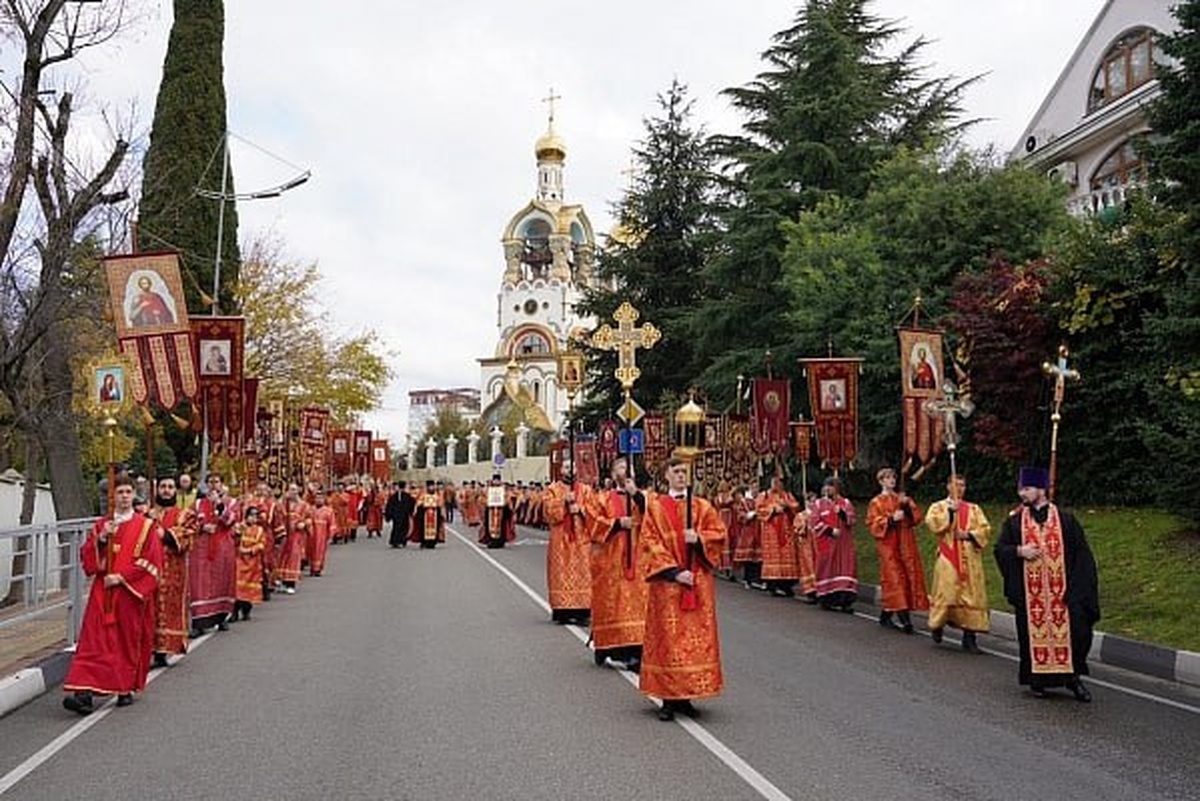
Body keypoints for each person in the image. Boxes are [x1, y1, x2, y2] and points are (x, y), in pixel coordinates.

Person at [995, 467, 1100, 702]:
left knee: (1075, 635)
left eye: (1027, 489)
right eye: (1020, 488)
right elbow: (1000, 550)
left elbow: (1082, 557)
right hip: (1032, 598)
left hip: (1063, 595)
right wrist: (1019, 551)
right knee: (1032, 638)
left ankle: (1073, 680)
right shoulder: (1014, 523)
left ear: (1041, 490)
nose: (1022, 493)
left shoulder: (1066, 520)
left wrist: (1076, 591)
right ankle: (1037, 681)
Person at [63, 476, 164, 714]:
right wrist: (101, 540)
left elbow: (153, 563)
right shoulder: (102, 525)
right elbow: (88, 560)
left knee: (124, 642)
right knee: (93, 640)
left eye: (128, 491)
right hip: (103, 592)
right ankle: (83, 694)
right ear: (113, 496)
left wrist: (121, 577)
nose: (125, 496)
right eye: (120, 492)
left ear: (133, 495)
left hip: (129, 594)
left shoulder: (145, 526)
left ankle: (123, 687)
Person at [640, 457, 726, 721]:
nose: (681, 476)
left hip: (697, 583)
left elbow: (719, 534)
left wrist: (699, 539)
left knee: (693, 643)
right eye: (676, 471)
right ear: (666, 475)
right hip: (669, 585)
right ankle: (668, 698)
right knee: (669, 641)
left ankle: (686, 696)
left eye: (684, 472)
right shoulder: (654, 508)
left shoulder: (702, 506)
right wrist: (675, 572)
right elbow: (649, 542)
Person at [588, 457, 648, 672]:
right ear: (614, 475)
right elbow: (592, 522)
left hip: (638, 560)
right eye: (621, 467)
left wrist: (636, 495)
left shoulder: (642, 496)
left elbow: (654, 515)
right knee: (616, 605)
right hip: (611, 560)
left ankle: (636, 650)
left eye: (628, 467)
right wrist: (616, 523)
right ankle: (611, 647)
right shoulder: (603, 498)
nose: (626, 470)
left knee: (637, 606)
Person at [925, 474, 991, 654]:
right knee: (946, 593)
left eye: (963, 485)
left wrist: (969, 535)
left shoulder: (974, 509)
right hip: (948, 557)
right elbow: (933, 524)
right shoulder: (938, 507)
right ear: (948, 486)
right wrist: (950, 512)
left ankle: (969, 638)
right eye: (956, 485)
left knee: (972, 596)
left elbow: (985, 529)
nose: (960, 488)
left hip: (970, 559)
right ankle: (937, 624)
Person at [866, 467, 928, 633]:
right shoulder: (876, 502)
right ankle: (906, 621)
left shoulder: (901, 498)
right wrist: (891, 519)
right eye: (887, 478)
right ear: (881, 481)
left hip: (905, 543)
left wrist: (907, 507)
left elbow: (916, 518)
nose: (892, 480)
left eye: (893, 477)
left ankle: (886, 615)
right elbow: (873, 524)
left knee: (906, 577)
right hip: (888, 546)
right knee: (894, 578)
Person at [149, 477, 194, 667]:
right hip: (150, 568)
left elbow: (189, 537)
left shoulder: (184, 514)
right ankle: (149, 647)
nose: (166, 490)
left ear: (175, 491)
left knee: (169, 608)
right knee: (150, 608)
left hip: (173, 569)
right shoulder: (147, 513)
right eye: (163, 487)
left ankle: (164, 649)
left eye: (170, 487)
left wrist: (166, 535)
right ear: (157, 490)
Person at [543, 460, 593, 625]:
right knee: (561, 574)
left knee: (583, 574)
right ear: (561, 470)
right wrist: (563, 501)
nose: (569, 470)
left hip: (581, 540)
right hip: (561, 541)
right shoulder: (553, 489)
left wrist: (581, 510)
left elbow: (595, 511)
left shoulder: (586, 490)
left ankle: (582, 612)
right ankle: (562, 611)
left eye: (572, 467)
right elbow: (549, 513)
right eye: (566, 467)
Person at [189, 474, 238, 634]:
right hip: (201, 550)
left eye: (216, 481)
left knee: (222, 581)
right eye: (210, 482)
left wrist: (219, 504)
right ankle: (199, 623)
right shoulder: (197, 504)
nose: (213, 485)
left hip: (223, 549)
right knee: (200, 584)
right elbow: (188, 522)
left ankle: (222, 618)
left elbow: (230, 521)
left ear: (221, 484)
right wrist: (202, 528)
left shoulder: (231, 502)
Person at [810, 476, 858, 612]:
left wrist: (841, 513)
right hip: (827, 544)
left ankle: (845, 601)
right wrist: (830, 530)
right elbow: (814, 523)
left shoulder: (845, 503)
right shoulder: (819, 504)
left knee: (845, 570)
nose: (828, 488)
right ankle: (827, 599)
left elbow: (852, 520)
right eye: (826, 486)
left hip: (844, 545)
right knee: (827, 570)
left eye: (831, 486)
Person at [756, 473, 802, 597]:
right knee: (773, 557)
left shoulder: (787, 495)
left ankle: (787, 585)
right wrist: (773, 509)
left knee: (788, 556)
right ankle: (773, 584)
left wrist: (787, 506)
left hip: (786, 531)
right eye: (774, 482)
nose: (776, 485)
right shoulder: (764, 495)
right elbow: (759, 510)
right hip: (771, 531)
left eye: (779, 482)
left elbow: (796, 507)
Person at [233, 506, 267, 621]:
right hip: (239, 561)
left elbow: (262, 544)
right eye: (250, 515)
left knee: (249, 590)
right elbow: (233, 540)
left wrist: (250, 550)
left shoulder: (259, 530)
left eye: (255, 516)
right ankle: (234, 612)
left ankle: (246, 611)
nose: (253, 519)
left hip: (253, 563)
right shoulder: (239, 527)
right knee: (237, 587)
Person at [276, 483, 310, 594]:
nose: (293, 492)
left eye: (295, 490)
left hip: (296, 536)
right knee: (282, 558)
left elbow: (309, 519)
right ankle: (282, 581)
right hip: (285, 535)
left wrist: (303, 524)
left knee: (294, 557)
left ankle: (291, 583)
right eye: (291, 489)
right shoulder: (282, 504)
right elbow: (277, 515)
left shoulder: (304, 505)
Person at [731, 486, 762, 589]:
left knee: (758, 557)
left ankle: (757, 579)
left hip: (758, 530)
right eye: (754, 488)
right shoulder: (744, 502)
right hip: (748, 531)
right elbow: (740, 515)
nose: (756, 490)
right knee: (748, 556)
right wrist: (748, 515)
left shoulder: (761, 499)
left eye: (757, 488)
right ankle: (748, 579)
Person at [307, 490, 339, 576]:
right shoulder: (310, 509)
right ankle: (312, 568)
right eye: (317, 498)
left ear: (324, 499)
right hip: (311, 534)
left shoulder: (329, 511)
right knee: (311, 551)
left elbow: (332, 524)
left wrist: (331, 536)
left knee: (320, 551)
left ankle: (318, 569)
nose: (318, 500)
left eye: (320, 498)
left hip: (322, 535)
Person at [478, 474, 515, 548]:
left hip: (501, 510)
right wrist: (486, 502)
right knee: (489, 525)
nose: (496, 482)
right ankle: (491, 540)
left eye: (498, 480)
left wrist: (506, 502)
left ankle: (500, 541)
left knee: (502, 526)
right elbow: (481, 498)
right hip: (490, 510)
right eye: (495, 480)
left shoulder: (504, 489)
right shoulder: (487, 489)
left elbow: (509, 498)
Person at [411, 479, 445, 548]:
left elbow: (440, 505)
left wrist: (442, 513)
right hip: (425, 514)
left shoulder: (436, 495)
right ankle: (424, 541)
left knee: (435, 528)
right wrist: (416, 510)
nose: (431, 488)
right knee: (423, 528)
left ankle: (433, 542)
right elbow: (418, 503)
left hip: (434, 513)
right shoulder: (423, 495)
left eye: (432, 486)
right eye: (430, 486)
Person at [385, 481, 416, 548]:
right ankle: (401, 541)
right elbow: (412, 503)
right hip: (403, 514)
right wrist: (411, 512)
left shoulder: (394, 496)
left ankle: (396, 541)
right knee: (403, 528)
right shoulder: (407, 496)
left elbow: (389, 506)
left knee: (397, 528)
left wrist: (389, 514)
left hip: (397, 515)